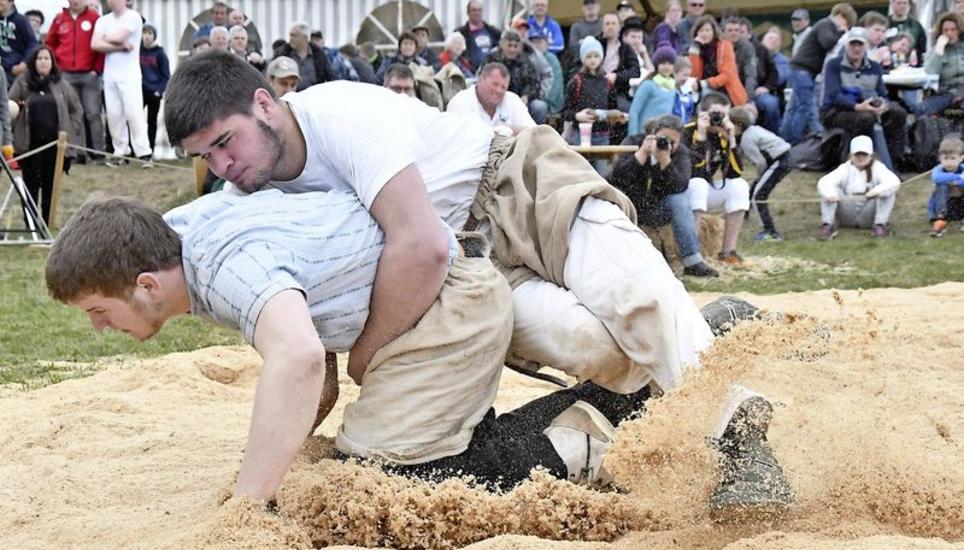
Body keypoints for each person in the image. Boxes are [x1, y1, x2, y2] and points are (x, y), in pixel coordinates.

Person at [162, 51, 793, 512]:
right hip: (473, 269)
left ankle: (741, 445)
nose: (224, 167)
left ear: (265, 104)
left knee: (640, 299)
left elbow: (418, 244)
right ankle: (715, 333)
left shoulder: (339, 113)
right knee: (595, 348)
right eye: (206, 158)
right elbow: (314, 306)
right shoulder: (255, 191)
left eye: (225, 142)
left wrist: (368, 355)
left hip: (516, 185)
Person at [611, 114, 719, 277]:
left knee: (679, 200)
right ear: (653, 133)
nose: (667, 144)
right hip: (628, 206)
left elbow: (681, 185)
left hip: (657, 208)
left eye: (673, 141)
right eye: (663, 138)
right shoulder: (633, 142)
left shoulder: (680, 152)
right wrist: (641, 155)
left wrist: (665, 162)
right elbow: (616, 178)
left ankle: (692, 262)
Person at [8, 46, 82, 226]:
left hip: (55, 147)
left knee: (50, 186)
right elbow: (9, 107)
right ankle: (31, 224)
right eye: (40, 58)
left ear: (52, 62)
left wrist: (70, 131)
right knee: (31, 186)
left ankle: (48, 223)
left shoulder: (61, 84)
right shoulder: (23, 82)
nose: (43, 62)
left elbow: (76, 109)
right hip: (30, 145)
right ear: (34, 61)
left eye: (47, 59)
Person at [822, 27, 908, 172]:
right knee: (865, 118)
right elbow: (833, 95)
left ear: (866, 46)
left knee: (898, 114)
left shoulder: (875, 67)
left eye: (860, 44)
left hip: (867, 107)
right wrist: (857, 106)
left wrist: (883, 105)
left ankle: (894, 164)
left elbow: (882, 93)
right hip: (836, 111)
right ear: (846, 45)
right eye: (853, 44)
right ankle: (859, 166)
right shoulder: (834, 65)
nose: (856, 48)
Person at [682, 92, 750, 264]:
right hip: (682, 192)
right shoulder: (688, 131)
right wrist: (701, 136)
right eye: (715, 114)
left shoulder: (723, 135)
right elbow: (690, 171)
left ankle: (728, 251)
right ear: (702, 113)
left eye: (723, 115)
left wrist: (731, 139)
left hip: (702, 193)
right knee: (698, 184)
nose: (718, 119)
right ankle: (693, 252)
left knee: (739, 186)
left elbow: (735, 173)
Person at [781, 3, 856, 145]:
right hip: (803, 70)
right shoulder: (825, 24)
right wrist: (842, 32)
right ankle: (795, 141)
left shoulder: (824, 25)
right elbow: (826, 43)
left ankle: (785, 139)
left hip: (802, 70)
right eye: (847, 22)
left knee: (795, 107)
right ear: (841, 16)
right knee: (803, 107)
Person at [92, 0, 152, 167]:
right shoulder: (103, 20)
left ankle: (144, 152)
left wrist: (105, 38)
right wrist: (118, 47)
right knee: (114, 115)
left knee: (134, 114)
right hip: (110, 75)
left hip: (130, 74)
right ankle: (120, 152)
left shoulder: (133, 17)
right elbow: (95, 44)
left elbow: (119, 37)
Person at [46, 0, 105, 164]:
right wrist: (56, 67)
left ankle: (99, 153)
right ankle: (78, 153)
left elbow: (101, 47)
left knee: (93, 114)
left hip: (89, 74)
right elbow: (50, 44)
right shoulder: (59, 18)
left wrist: (97, 70)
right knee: (73, 113)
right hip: (66, 75)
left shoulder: (95, 18)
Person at [728, 105, 792, 241]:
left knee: (759, 195)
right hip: (783, 158)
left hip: (780, 161)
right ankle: (743, 214)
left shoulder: (746, 138)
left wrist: (760, 176)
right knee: (754, 189)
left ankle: (770, 232)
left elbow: (760, 162)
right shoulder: (753, 129)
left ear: (738, 125)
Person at [818, 135, 900, 239]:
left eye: (864, 155)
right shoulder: (845, 168)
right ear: (851, 155)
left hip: (868, 213)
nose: (860, 158)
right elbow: (824, 182)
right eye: (857, 155)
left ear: (871, 155)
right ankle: (827, 225)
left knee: (888, 193)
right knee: (831, 190)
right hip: (847, 211)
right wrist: (830, 194)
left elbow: (894, 181)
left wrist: (876, 191)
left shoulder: (878, 168)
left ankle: (879, 225)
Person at [564, 36, 621, 173]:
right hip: (581, 134)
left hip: (602, 135)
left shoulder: (606, 82)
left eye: (596, 56)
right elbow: (565, 111)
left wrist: (615, 117)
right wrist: (577, 116)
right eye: (589, 56)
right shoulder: (576, 81)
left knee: (601, 175)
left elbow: (613, 108)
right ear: (583, 59)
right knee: (581, 173)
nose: (593, 59)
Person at [443, 62, 536, 134]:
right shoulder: (460, 102)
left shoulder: (512, 100)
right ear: (480, 80)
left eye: (503, 87)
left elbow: (534, 133)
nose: (499, 90)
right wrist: (508, 131)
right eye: (495, 84)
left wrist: (508, 130)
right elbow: (470, 137)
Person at [485, 29, 546, 124]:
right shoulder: (492, 60)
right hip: (496, 98)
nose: (512, 49)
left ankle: (535, 134)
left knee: (539, 107)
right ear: (502, 45)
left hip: (521, 101)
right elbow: (484, 81)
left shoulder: (526, 61)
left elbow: (534, 83)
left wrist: (526, 96)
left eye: (515, 46)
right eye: (509, 45)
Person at [689, 16, 748, 107]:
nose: (704, 34)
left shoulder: (725, 46)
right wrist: (695, 49)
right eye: (701, 30)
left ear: (714, 31)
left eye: (707, 30)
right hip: (704, 89)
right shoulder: (697, 49)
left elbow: (727, 75)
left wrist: (706, 83)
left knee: (707, 94)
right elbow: (695, 75)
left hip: (727, 91)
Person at [920, 12, 964, 116]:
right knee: (922, 109)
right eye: (946, 30)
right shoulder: (936, 50)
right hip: (946, 92)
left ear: (959, 30)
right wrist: (939, 50)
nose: (949, 33)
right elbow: (930, 72)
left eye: (953, 29)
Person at [628, 46, 679, 135]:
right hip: (644, 133)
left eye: (670, 63)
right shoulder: (648, 85)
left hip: (662, 134)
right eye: (663, 63)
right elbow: (634, 111)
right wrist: (633, 135)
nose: (666, 67)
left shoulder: (673, 87)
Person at [139, 23, 169, 155]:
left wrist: (159, 90)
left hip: (154, 92)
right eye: (144, 33)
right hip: (139, 91)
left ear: (154, 36)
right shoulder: (138, 50)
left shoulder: (160, 53)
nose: (147, 36)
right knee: (136, 121)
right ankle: (137, 149)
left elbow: (166, 75)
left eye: (150, 33)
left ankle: (150, 150)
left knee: (152, 121)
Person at [278, 21, 332, 91]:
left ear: (305, 37)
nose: (290, 39)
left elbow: (330, 76)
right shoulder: (283, 53)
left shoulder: (319, 54)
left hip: (313, 97)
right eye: (290, 35)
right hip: (289, 96)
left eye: (294, 35)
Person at [928, 136, 964, 237]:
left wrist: (958, 181)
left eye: (953, 158)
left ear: (961, 158)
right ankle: (940, 219)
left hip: (959, 205)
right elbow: (937, 178)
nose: (949, 162)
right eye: (945, 158)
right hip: (944, 206)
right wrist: (957, 178)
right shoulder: (938, 170)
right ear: (940, 158)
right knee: (942, 186)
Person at [0, 0, 38, 86]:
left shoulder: (21, 20)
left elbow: (32, 45)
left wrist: (24, 63)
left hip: (13, 70)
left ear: (11, 2)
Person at [457, 0, 501, 73]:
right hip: (471, 72)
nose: (477, 13)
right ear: (468, 13)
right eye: (474, 10)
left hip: (492, 71)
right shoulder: (460, 33)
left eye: (479, 10)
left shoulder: (493, 31)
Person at [886, 0, 926, 65]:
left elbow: (922, 49)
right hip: (888, 65)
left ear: (909, 6)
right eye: (899, 3)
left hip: (911, 66)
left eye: (905, 3)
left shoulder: (916, 26)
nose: (902, 6)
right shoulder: (885, 24)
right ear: (892, 4)